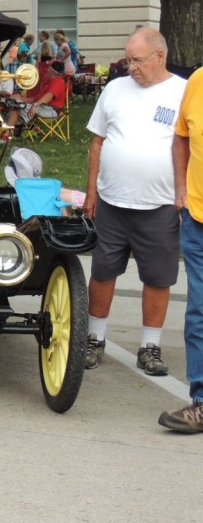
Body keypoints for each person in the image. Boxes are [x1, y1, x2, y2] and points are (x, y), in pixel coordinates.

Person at [83, 27, 186, 373]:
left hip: (160, 205)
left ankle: (150, 346)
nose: (131, 68)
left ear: (160, 56)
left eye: (138, 61)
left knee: (158, 277)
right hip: (112, 202)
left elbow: (191, 148)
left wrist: (185, 196)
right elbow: (97, 143)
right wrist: (92, 192)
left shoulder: (183, 93)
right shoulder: (114, 89)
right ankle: (94, 338)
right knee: (102, 270)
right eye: (128, 60)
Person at [163, 66, 203, 431]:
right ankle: (202, 403)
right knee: (199, 314)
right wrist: (180, 190)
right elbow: (180, 137)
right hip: (198, 219)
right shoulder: (199, 81)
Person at [6, 59, 68, 129]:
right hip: (43, 108)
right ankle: (14, 131)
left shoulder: (58, 82)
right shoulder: (52, 82)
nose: (46, 70)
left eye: (48, 68)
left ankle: (7, 133)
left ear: (52, 71)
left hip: (49, 111)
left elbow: (48, 97)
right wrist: (20, 98)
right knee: (14, 103)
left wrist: (35, 105)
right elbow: (35, 99)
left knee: (15, 107)